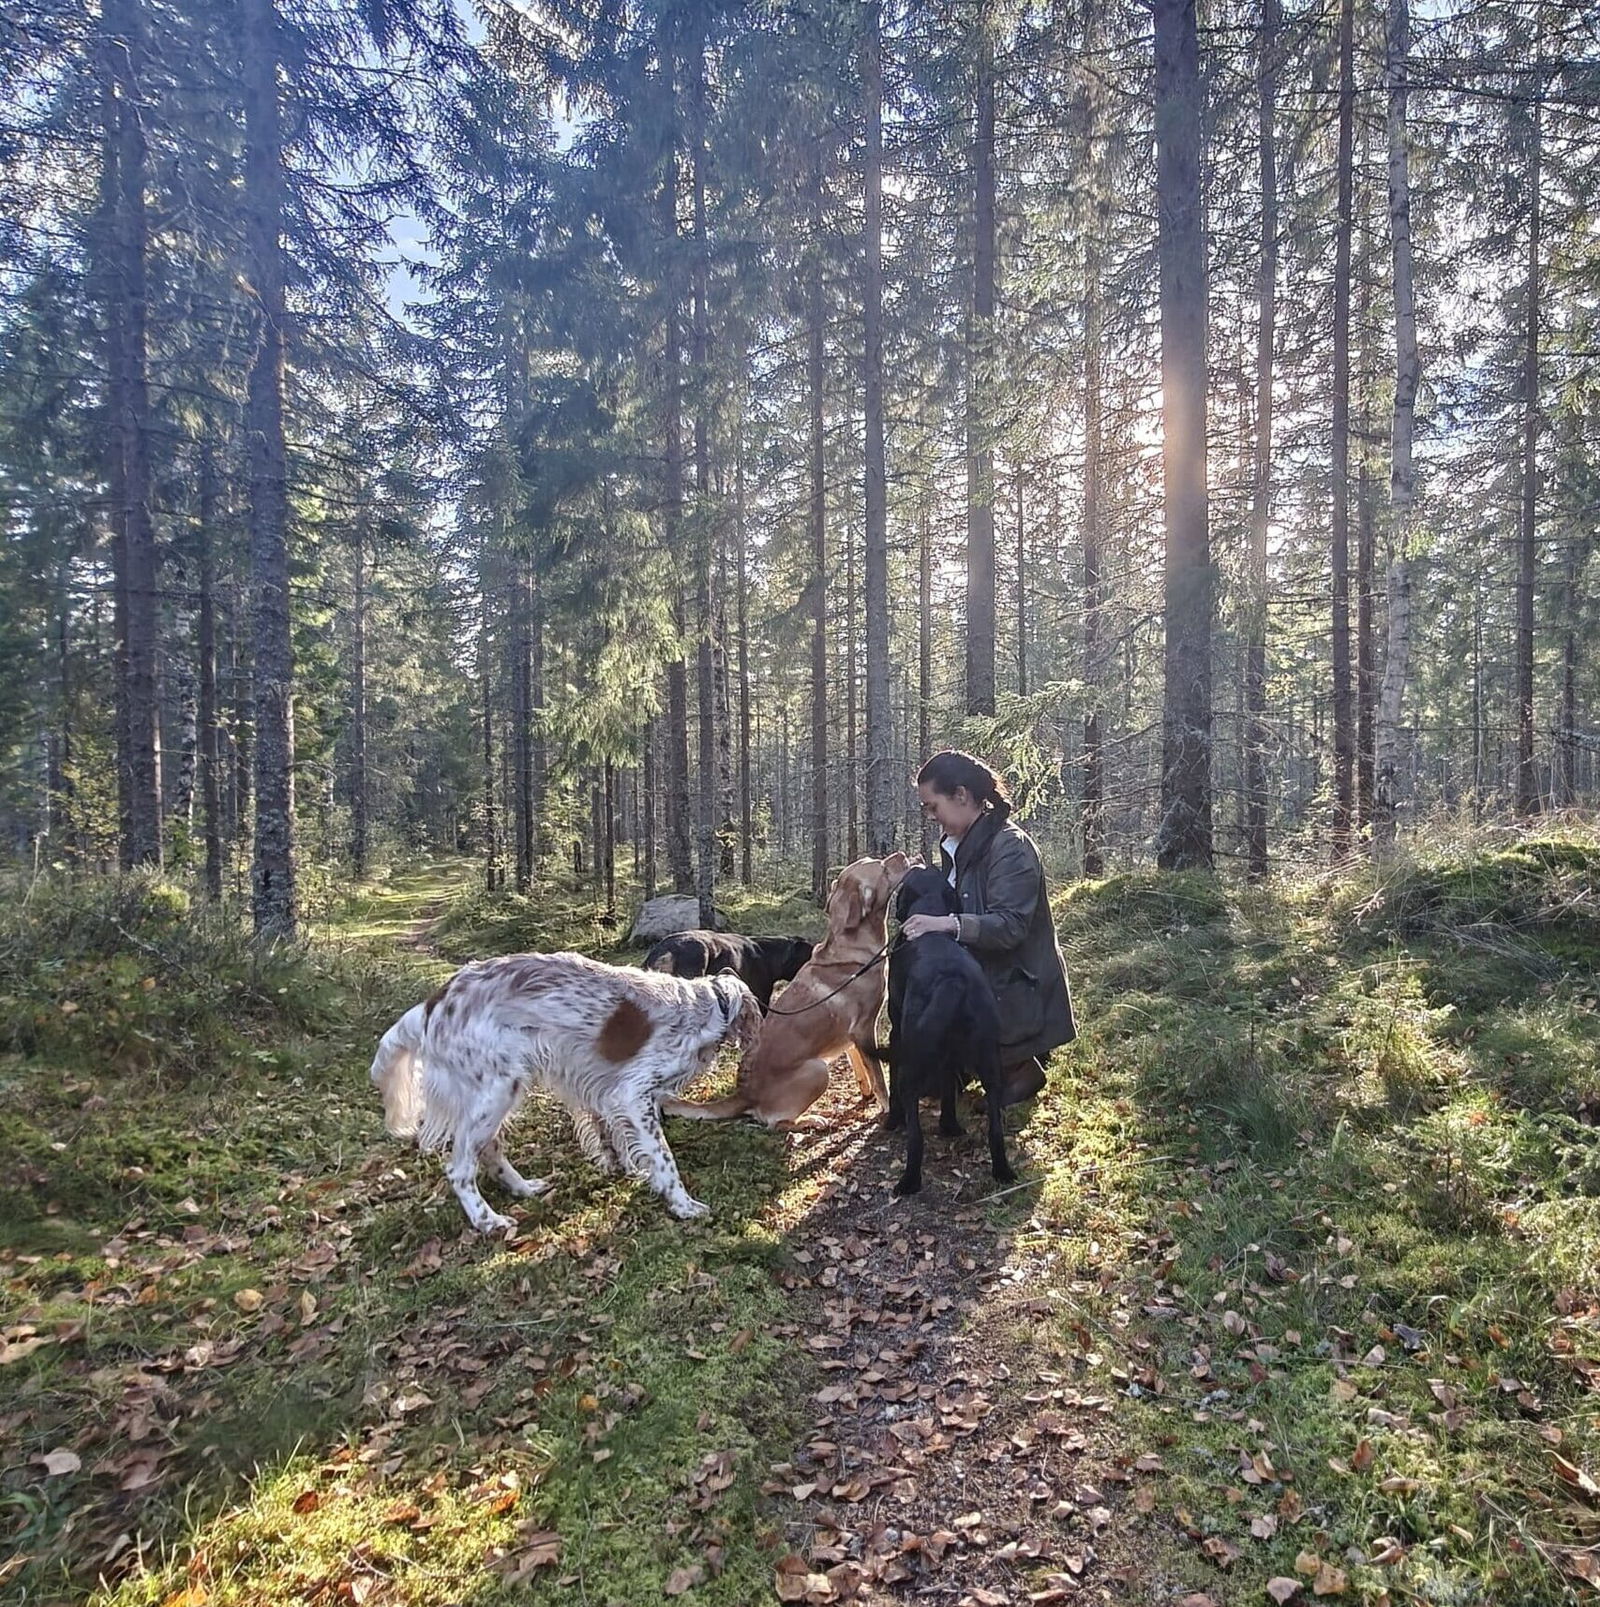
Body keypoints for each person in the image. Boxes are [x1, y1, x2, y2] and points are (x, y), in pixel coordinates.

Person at [901, 749, 1076, 1104]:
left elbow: (1010, 926)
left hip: (1016, 982)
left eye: (934, 807)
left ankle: (1018, 1068)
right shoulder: (962, 843)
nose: (932, 818)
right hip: (985, 972)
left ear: (961, 795)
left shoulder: (1010, 847)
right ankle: (973, 1064)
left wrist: (946, 925)